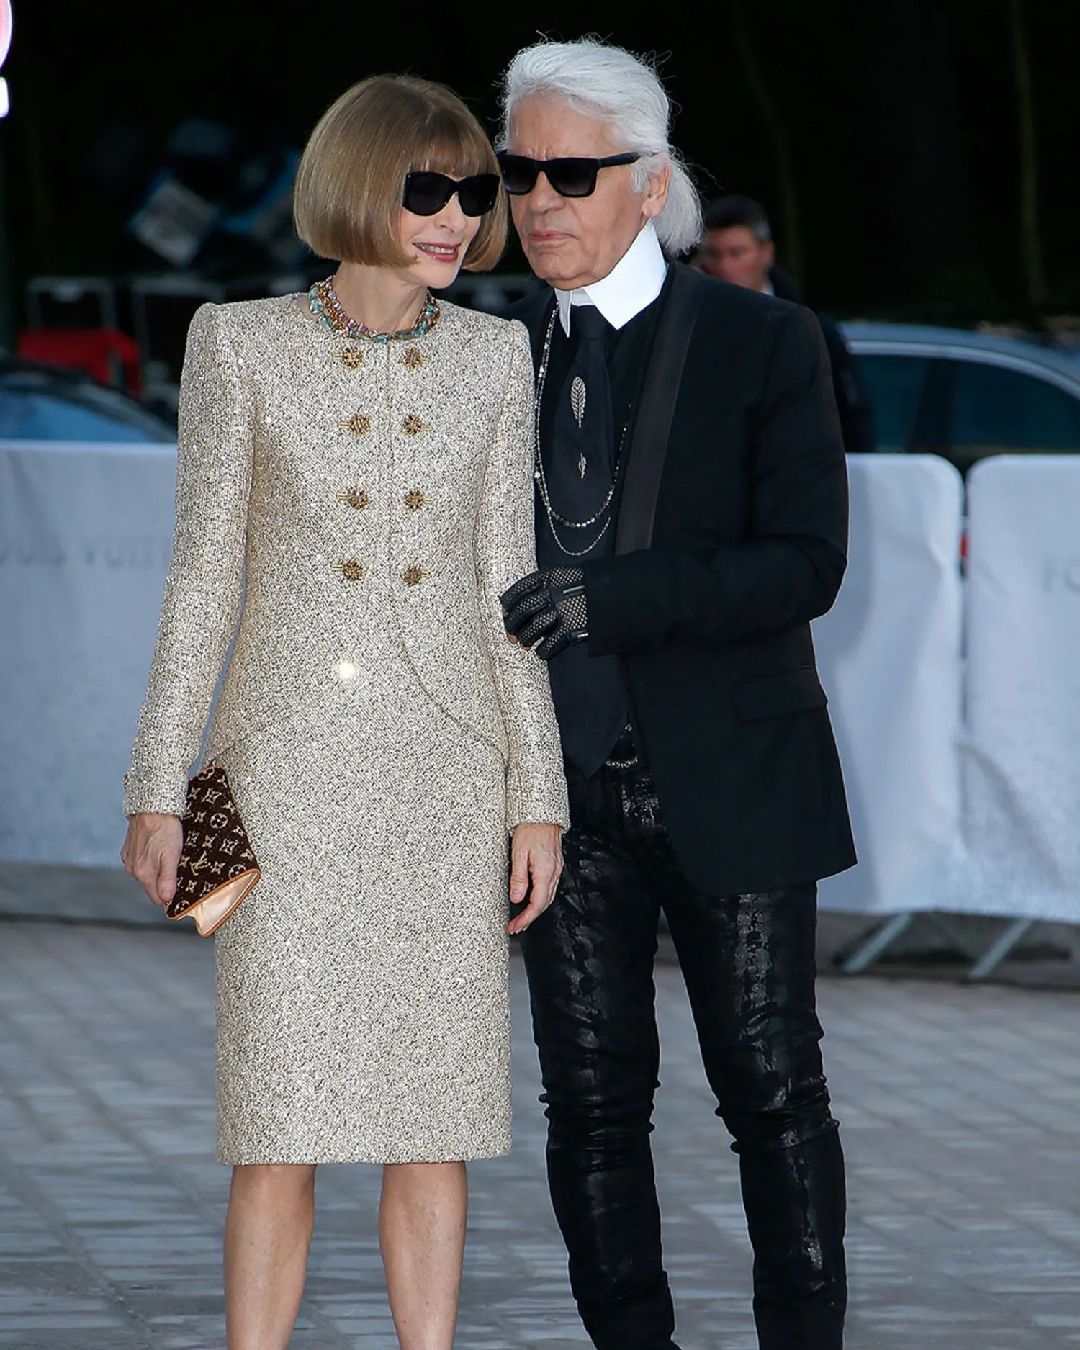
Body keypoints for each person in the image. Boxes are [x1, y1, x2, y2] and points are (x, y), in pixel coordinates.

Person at [120, 74, 568, 1350]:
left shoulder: (496, 357)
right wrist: (159, 785)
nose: (456, 216)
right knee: (281, 1121)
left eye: (474, 194)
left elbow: (507, 589)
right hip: (283, 776)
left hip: (444, 776)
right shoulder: (238, 341)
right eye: (429, 188)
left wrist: (537, 796)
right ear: (359, 186)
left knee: (435, 1123)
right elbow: (203, 576)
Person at [495, 38, 856, 1350]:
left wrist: (616, 596)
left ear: (647, 186)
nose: (539, 198)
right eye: (521, 169)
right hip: (555, 795)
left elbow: (806, 560)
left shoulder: (765, 339)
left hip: (734, 775)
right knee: (588, 1102)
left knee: (769, 1089)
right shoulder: (487, 348)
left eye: (571, 173)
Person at [696, 193, 875, 453]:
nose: (725, 267)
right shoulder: (688, 327)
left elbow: (848, 415)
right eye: (713, 254)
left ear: (765, 253)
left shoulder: (810, 327)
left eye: (737, 253)